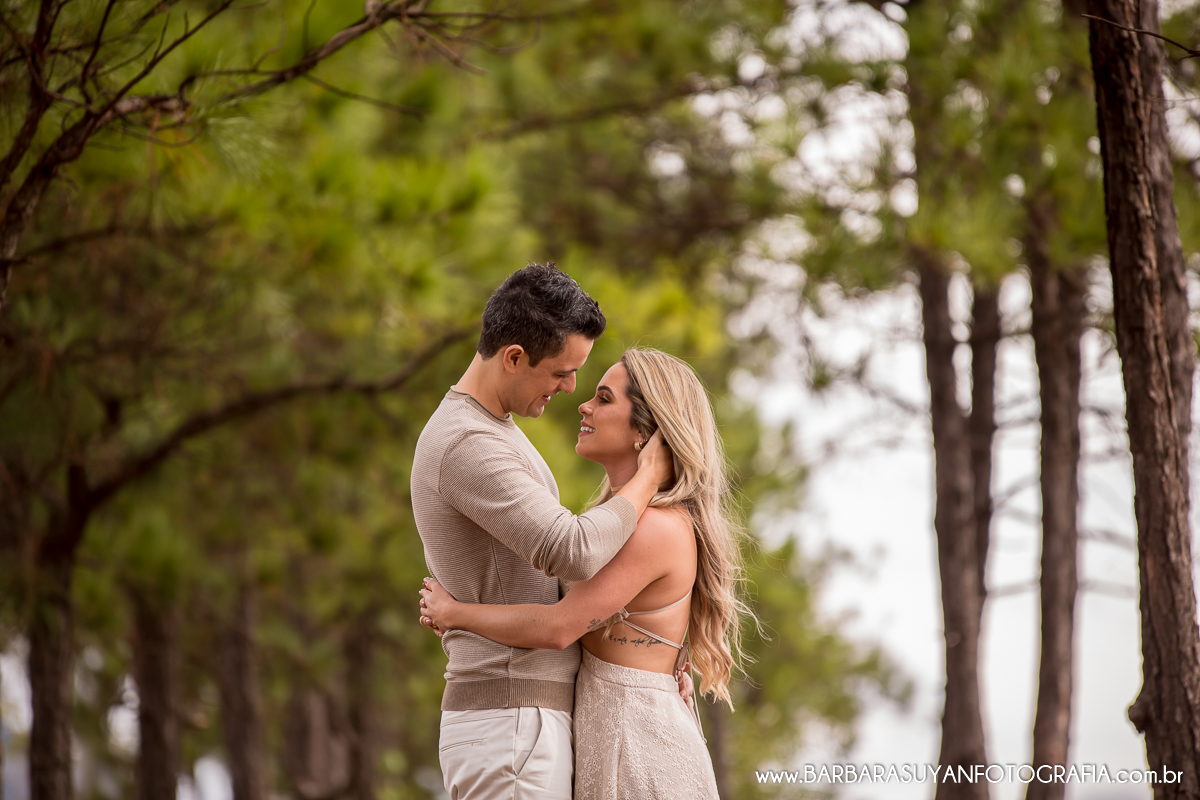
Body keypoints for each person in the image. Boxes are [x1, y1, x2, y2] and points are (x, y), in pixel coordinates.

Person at [420, 347, 753, 800]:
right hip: (611, 733)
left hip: (638, 745)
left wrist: (455, 613)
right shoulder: (622, 522)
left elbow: (560, 627)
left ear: (645, 431)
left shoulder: (655, 528)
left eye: (604, 398)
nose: (583, 404)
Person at [411, 263, 674, 800]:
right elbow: (572, 551)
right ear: (514, 357)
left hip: (518, 721)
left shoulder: (493, 428)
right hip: (511, 722)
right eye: (561, 372)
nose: (571, 388)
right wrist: (649, 476)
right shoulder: (468, 442)